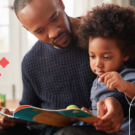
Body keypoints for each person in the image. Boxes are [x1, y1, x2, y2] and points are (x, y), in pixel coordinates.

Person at [0, 0, 133, 135]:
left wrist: (119, 103)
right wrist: (10, 119)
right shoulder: (30, 62)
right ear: (27, 29)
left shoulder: (106, 35)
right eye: (40, 31)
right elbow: (27, 111)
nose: (54, 33)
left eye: (54, 18)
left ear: (60, 3)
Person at [77, 3, 135, 134]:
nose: (98, 64)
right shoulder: (96, 82)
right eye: (92, 56)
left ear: (125, 54)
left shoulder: (127, 76)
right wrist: (89, 115)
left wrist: (125, 86)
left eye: (106, 57)